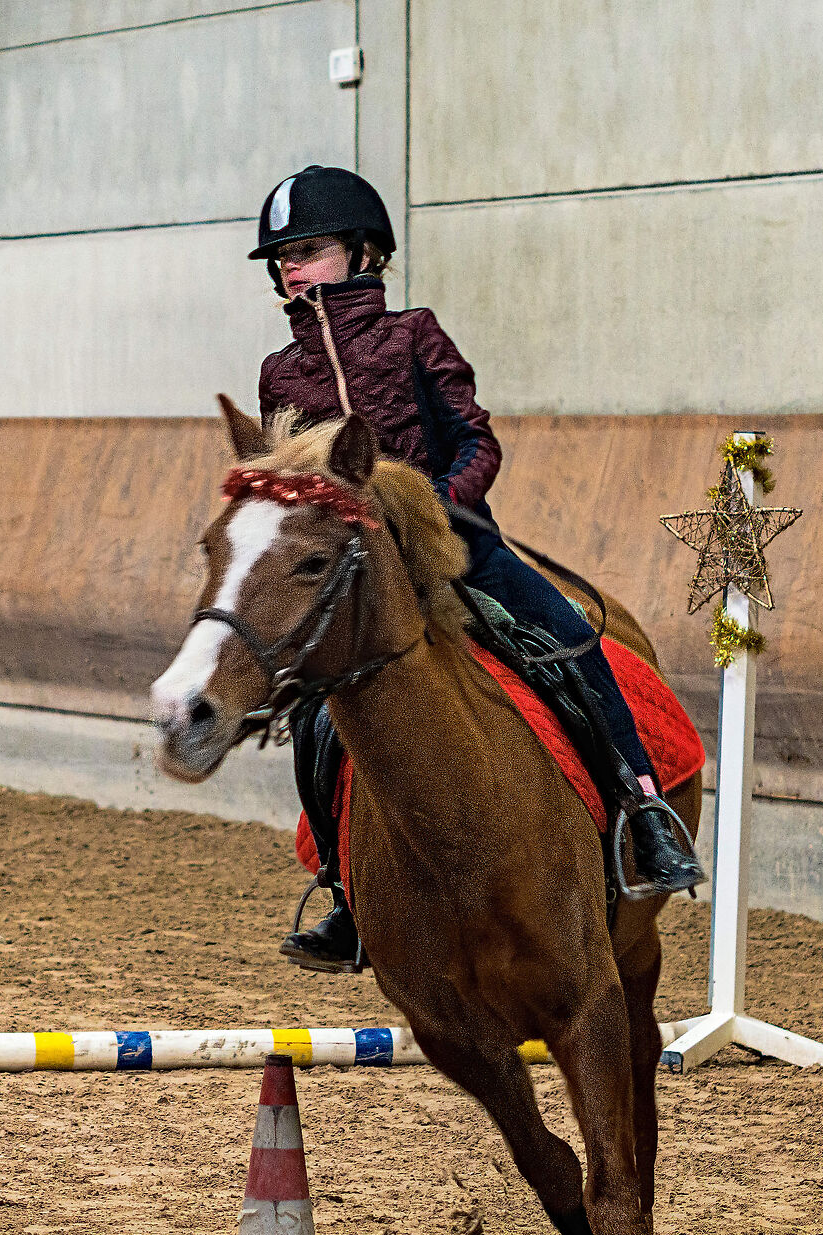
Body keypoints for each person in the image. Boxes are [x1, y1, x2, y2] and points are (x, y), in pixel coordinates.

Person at [249, 166, 703, 972]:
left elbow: (477, 441)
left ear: (362, 253)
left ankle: (644, 814)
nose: (291, 268)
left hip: (458, 543)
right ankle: (345, 890)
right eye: (281, 257)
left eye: (308, 250)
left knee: (569, 643)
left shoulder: (415, 333)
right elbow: (289, 485)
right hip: (359, 575)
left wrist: (434, 509)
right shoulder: (280, 374)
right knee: (320, 719)